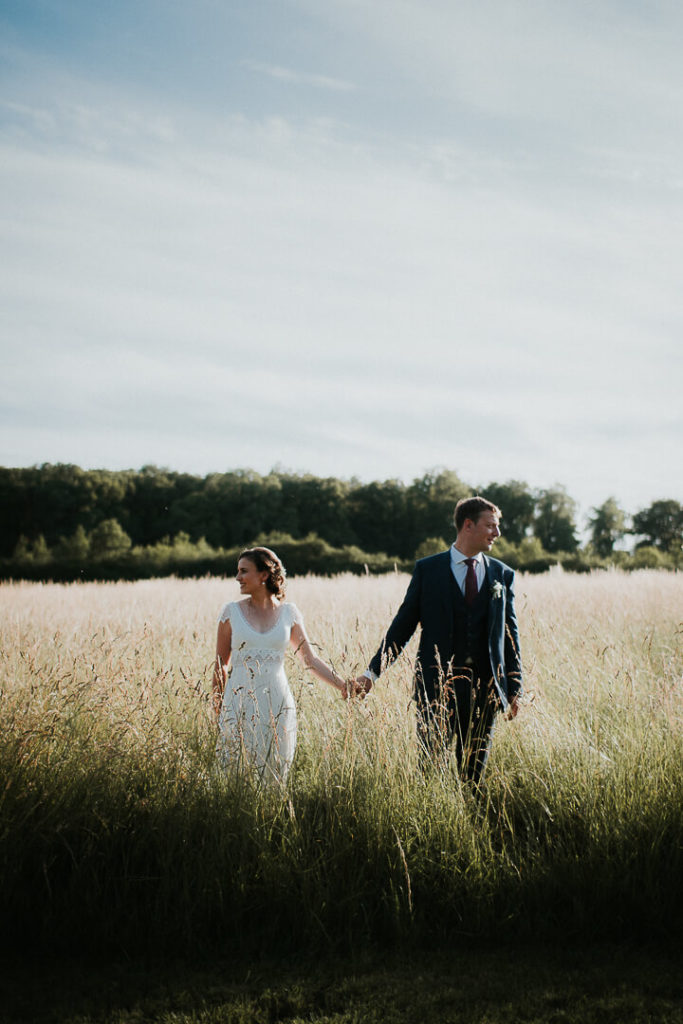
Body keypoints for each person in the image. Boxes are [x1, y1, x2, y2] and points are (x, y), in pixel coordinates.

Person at [355, 496, 523, 784]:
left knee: (474, 773)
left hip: (485, 690)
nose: (497, 533)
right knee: (430, 767)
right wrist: (373, 673)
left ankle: (471, 824)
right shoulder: (428, 570)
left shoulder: (502, 574)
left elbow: (510, 634)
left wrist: (514, 687)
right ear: (468, 525)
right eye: (491, 526)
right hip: (435, 688)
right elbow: (402, 626)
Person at [213, 546, 348, 784]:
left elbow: (311, 660)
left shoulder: (289, 613)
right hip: (238, 702)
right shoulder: (231, 612)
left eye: (244, 571)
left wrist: (344, 686)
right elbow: (220, 666)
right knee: (233, 772)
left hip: (277, 703)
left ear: (264, 575)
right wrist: (219, 711)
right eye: (237, 571)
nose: (237, 578)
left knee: (273, 773)